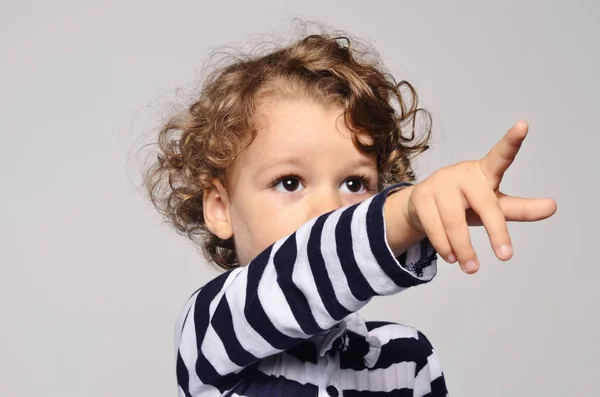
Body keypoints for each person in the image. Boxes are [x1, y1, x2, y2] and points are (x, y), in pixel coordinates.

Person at [143, 29, 557, 397]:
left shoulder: (406, 361)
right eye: (290, 182)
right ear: (220, 207)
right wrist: (410, 210)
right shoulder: (212, 332)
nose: (327, 212)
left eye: (354, 184)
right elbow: (306, 266)